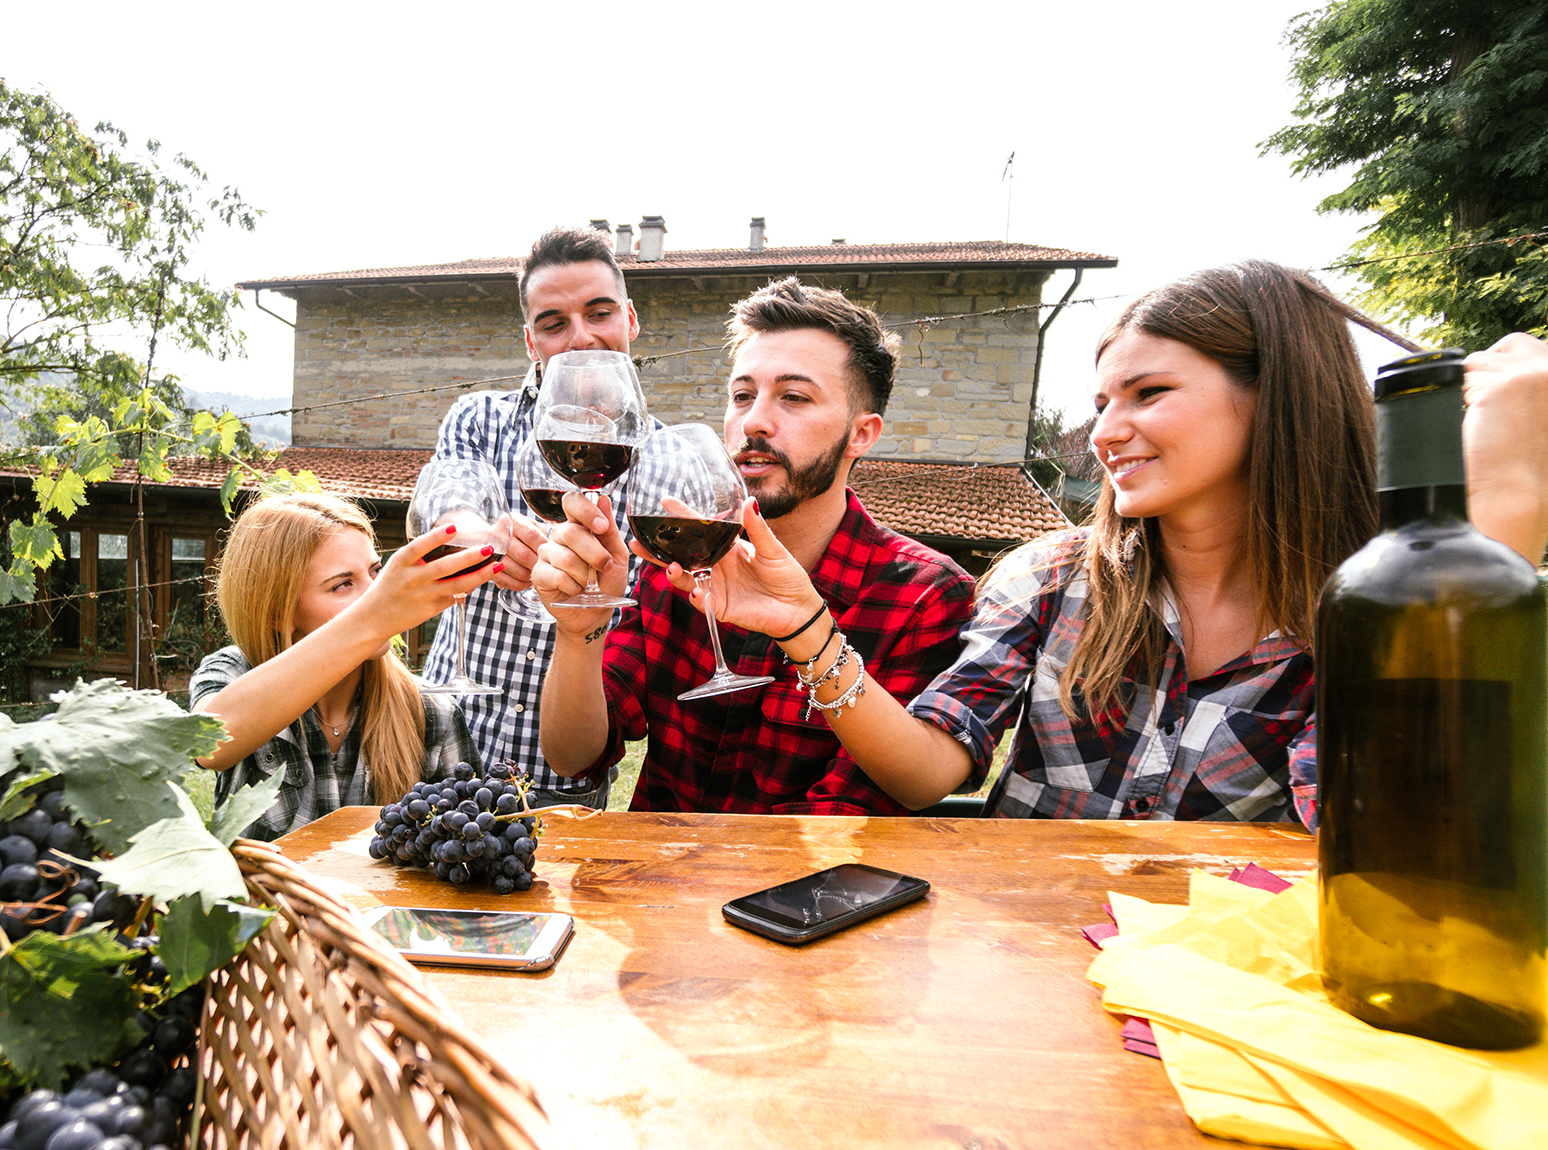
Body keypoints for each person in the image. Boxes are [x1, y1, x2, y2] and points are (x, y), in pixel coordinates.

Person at [603, 260, 1548, 826]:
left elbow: (1382, 836)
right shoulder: (1050, 579)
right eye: (1101, 402)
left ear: (1278, 398)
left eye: (1149, 394)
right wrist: (808, 627)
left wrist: (1497, 522)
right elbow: (931, 769)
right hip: (1018, 979)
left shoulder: (1362, 609)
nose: (1104, 432)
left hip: (1215, 1008)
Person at [531, 277, 976, 814]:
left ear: (861, 433)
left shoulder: (925, 593)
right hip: (662, 869)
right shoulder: (674, 563)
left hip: (823, 871)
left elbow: (913, 788)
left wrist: (806, 630)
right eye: (742, 396)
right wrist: (579, 632)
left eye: (794, 397)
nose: (754, 421)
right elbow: (573, 756)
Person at [416, 225, 654, 809]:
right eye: (554, 323)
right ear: (531, 342)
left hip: (564, 782)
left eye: (599, 313)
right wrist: (486, 541)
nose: (581, 337)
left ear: (630, 319)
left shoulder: (665, 456)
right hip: (437, 749)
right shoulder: (478, 418)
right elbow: (445, 504)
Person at [189, 493, 500, 841]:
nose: (377, 593)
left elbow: (472, 846)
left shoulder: (431, 713)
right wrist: (372, 619)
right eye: (343, 584)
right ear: (279, 612)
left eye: (376, 572)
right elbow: (209, 745)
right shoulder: (235, 673)